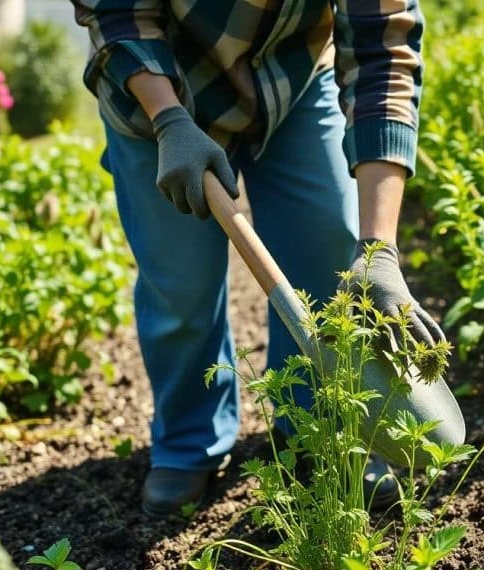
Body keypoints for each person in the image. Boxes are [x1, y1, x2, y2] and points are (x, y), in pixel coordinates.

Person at [71, 0, 445, 517]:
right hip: (159, 77)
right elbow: (115, 8)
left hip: (290, 78)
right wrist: (169, 118)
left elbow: (385, 50)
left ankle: (322, 434)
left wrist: (378, 249)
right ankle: (189, 439)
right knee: (181, 285)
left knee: (324, 251)